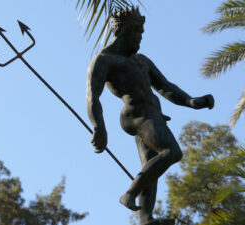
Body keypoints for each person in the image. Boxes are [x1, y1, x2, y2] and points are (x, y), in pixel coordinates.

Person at [86, 7, 214, 225]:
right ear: (123, 32)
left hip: (153, 114)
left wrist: (191, 102)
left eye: (141, 34)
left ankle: (146, 218)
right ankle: (129, 193)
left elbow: (165, 86)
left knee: (153, 164)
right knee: (172, 152)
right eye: (137, 33)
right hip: (137, 114)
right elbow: (92, 97)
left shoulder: (142, 60)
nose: (140, 39)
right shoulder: (105, 59)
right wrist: (98, 127)